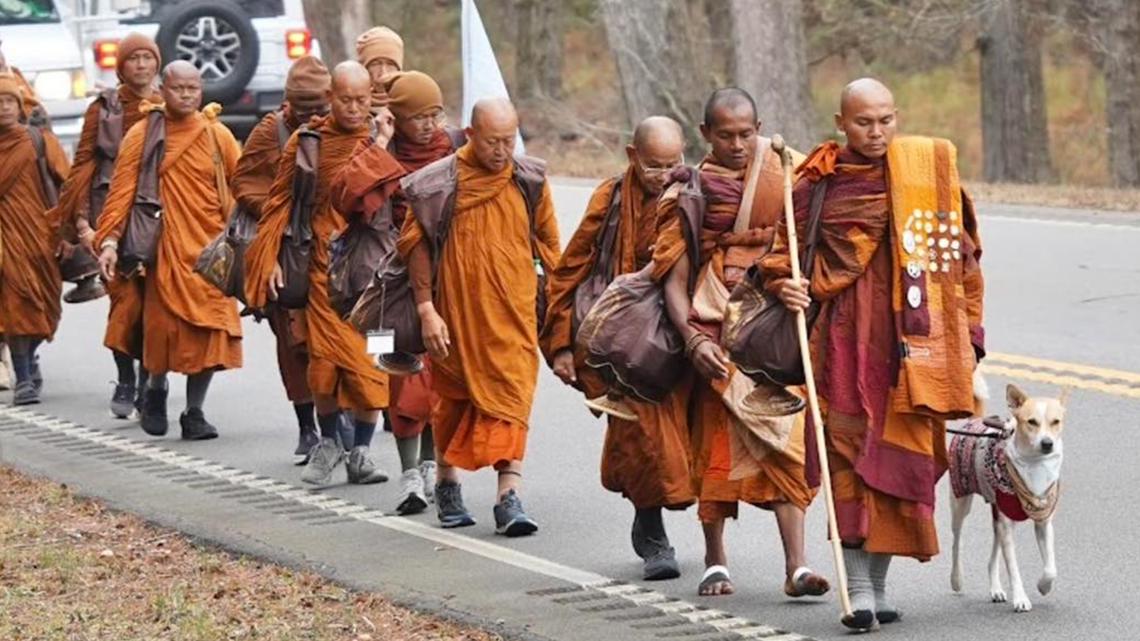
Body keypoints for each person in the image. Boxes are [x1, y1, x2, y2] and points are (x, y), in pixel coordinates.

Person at [760, 78, 985, 631]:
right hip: (842, 347)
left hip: (912, 350)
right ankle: (858, 590)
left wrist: (970, 336)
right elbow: (781, 254)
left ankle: (878, 589)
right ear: (842, 122)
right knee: (849, 462)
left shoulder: (927, 176)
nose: (877, 132)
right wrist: (787, 285)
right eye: (864, 122)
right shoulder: (820, 182)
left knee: (899, 464)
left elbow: (963, 262)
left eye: (886, 120)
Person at [652, 88, 829, 598]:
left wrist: (796, 287)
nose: (736, 144)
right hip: (714, 324)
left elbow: (805, 247)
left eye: (746, 134)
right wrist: (692, 340)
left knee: (785, 440)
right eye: (725, 135)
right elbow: (672, 278)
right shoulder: (688, 192)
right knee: (716, 446)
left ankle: (797, 566)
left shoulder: (784, 176)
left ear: (760, 129)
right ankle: (715, 559)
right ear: (705, 133)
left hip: (772, 328)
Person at [397, 97, 560, 536]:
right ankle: (448, 484)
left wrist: (555, 303)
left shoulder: (528, 180)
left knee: (512, 401)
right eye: (492, 142)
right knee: (454, 402)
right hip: (456, 317)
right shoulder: (439, 183)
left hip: (513, 317)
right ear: (470, 135)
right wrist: (426, 308)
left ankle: (509, 497)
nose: (502, 151)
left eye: (509, 140)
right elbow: (415, 245)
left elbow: (549, 244)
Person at [541, 116, 692, 579]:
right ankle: (653, 535)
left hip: (682, 334)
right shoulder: (610, 199)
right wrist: (562, 345)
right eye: (653, 165)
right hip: (624, 344)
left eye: (672, 163)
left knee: (686, 437)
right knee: (640, 435)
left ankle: (710, 551)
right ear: (632, 156)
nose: (664, 175)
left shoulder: (694, 193)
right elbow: (570, 269)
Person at [245, 61, 391, 486]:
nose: (354, 108)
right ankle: (328, 441)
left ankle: (361, 452)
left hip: (373, 274)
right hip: (322, 268)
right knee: (323, 363)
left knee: (373, 365)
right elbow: (279, 202)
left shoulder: (380, 138)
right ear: (330, 98)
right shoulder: (306, 141)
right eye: (345, 100)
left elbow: (394, 203)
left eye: (361, 100)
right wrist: (269, 257)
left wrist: (382, 144)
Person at [331, 70, 462, 513]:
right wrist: (381, 144)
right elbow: (346, 199)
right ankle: (409, 474)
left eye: (434, 114)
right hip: (383, 287)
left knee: (440, 376)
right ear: (396, 117)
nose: (428, 125)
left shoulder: (454, 149)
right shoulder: (376, 149)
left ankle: (429, 465)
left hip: (444, 281)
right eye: (418, 117)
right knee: (397, 375)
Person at [95, 61, 243, 440]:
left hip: (210, 254)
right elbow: (121, 193)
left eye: (193, 89)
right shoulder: (143, 134)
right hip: (164, 251)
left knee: (211, 331)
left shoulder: (217, 135)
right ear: (163, 88)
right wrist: (109, 241)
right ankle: (156, 388)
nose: (187, 95)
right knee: (161, 330)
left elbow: (241, 188)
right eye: (179, 88)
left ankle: (195, 412)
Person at [231, 54, 336, 465]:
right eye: (303, 110)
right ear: (288, 103)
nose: (313, 117)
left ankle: (339, 420)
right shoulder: (269, 131)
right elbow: (243, 182)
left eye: (320, 108)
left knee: (333, 338)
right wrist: (279, 210)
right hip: (281, 251)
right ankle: (307, 425)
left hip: (329, 248)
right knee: (293, 344)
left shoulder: (340, 129)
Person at [50, 33, 161, 418]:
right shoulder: (103, 109)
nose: (141, 65)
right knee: (124, 301)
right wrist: (82, 224)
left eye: (148, 58)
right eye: (134, 59)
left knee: (155, 304)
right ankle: (126, 376)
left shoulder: (168, 104)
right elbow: (83, 166)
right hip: (109, 214)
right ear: (121, 66)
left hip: (155, 215)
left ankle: (148, 381)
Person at [0, 73, 69, 405]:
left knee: (46, 305)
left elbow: (69, 184)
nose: (3, 107)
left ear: (20, 107)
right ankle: (24, 377)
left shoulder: (39, 141)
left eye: (9, 101)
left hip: (39, 235)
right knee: (14, 301)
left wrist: (72, 228)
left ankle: (28, 356)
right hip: (5, 237)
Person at [355, 26, 404, 103]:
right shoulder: (350, 106)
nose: (384, 73)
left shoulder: (415, 104)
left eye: (390, 64)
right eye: (376, 64)